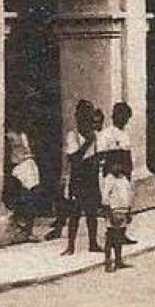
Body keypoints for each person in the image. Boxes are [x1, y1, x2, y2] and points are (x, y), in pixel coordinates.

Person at [60, 101, 102, 256]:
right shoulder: (73, 136)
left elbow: (100, 156)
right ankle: (70, 246)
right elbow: (73, 158)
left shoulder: (97, 136)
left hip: (91, 177)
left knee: (92, 212)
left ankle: (93, 243)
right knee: (75, 212)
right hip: (78, 177)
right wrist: (87, 143)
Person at [98, 102, 136, 244]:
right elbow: (102, 157)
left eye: (126, 117)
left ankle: (122, 234)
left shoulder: (126, 135)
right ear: (114, 116)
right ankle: (113, 237)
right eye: (121, 116)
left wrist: (129, 172)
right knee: (112, 206)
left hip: (124, 173)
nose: (124, 119)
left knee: (125, 204)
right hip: (111, 174)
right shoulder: (106, 134)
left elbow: (128, 155)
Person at [4, 124, 46, 241]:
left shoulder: (23, 135)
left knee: (32, 196)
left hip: (29, 165)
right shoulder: (9, 136)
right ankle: (23, 229)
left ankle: (29, 230)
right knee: (23, 196)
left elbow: (28, 150)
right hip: (19, 167)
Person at [100, 155, 133, 272]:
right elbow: (105, 198)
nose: (118, 167)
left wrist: (129, 211)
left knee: (120, 238)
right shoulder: (109, 179)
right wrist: (109, 214)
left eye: (120, 165)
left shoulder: (124, 179)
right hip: (113, 212)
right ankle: (108, 262)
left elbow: (129, 195)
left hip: (123, 211)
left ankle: (118, 260)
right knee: (110, 238)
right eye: (115, 165)